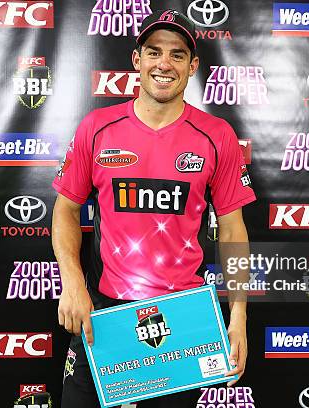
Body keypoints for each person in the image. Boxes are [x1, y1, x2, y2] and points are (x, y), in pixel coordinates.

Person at [51, 9, 255, 408]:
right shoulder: (97, 127)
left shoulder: (217, 136)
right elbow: (64, 211)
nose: (164, 63)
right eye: (154, 51)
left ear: (193, 66)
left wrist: (239, 317)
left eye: (178, 55)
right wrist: (72, 282)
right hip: (106, 311)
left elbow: (232, 231)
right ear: (137, 59)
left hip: (183, 316)